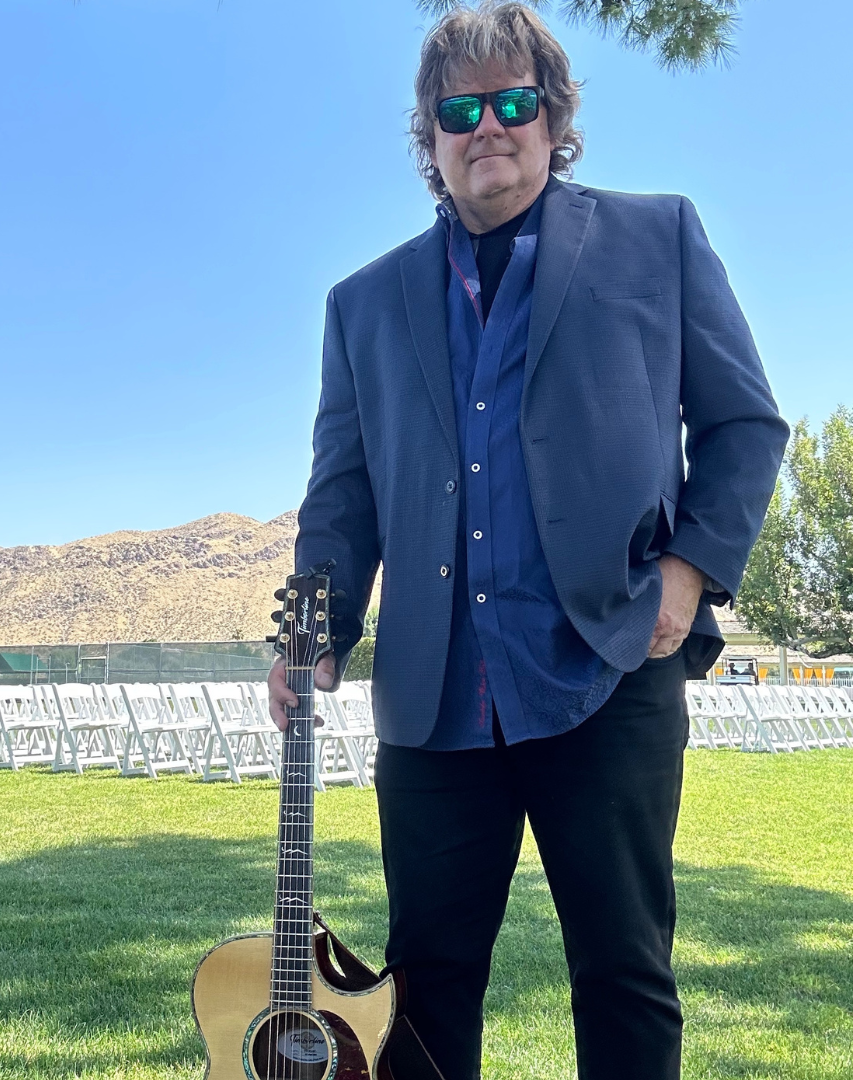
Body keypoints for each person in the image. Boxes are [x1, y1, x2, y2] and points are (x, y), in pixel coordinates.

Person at [268, 4, 788, 1079]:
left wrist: (687, 579)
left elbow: (745, 425)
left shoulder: (661, 237)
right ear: (430, 136)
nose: (488, 126)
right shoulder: (359, 304)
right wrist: (316, 628)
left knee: (625, 973)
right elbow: (342, 492)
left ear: (556, 120)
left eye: (515, 102)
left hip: (610, 670)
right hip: (436, 697)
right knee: (421, 990)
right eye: (461, 109)